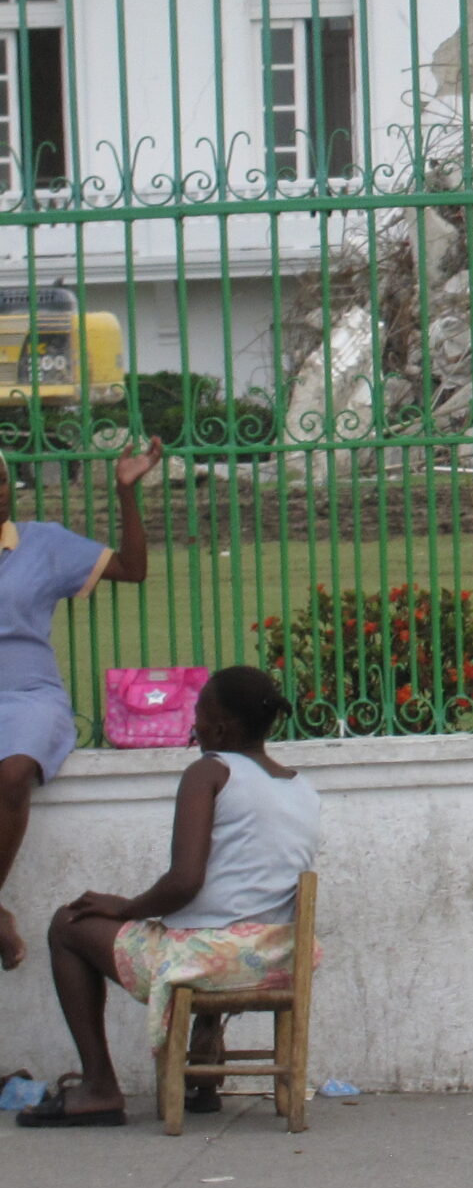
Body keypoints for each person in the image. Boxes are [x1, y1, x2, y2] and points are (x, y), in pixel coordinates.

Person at [18, 664, 318, 1127]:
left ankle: (98, 1087)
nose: (194, 723)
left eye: (200, 713)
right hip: (273, 955)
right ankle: (203, 1073)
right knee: (200, 927)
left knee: (68, 924)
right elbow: (234, 888)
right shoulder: (302, 788)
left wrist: (125, 907)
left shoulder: (209, 772)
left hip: (209, 959)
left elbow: (183, 883)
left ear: (219, 725)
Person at [0, 437, 168, 974]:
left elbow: (133, 568)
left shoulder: (41, 544)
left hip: (29, 696)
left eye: (0, 479)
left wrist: (126, 493)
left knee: (13, 774)